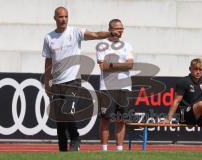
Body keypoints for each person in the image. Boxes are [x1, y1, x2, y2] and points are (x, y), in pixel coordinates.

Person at [42, 6, 120, 152]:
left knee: (67, 111)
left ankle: (76, 138)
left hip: (73, 81)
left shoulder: (75, 32)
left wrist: (109, 33)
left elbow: (95, 34)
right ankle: (62, 150)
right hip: (57, 83)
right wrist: (47, 83)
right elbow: (48, 62)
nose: (63, 19)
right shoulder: (49, 37)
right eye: (60, 17)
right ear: (55, 18)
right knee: (59, 119)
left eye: (65, 16)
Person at [96, 19, 134, 151]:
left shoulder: (127, 45)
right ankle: (104, 150)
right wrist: (121, 65)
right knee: (105, 119)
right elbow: (102, 67)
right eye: (118, 28)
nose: (120, 31)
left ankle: (119, 149)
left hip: (124, 86)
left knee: (121, 120)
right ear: (110, 29)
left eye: (122, 29)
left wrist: (112, 64)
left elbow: (130, 65)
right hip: (107, 87)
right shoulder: (102, 45)